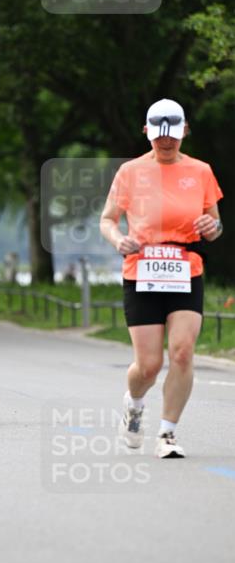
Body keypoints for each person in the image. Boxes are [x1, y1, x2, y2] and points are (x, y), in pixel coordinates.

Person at [100, 98, 224, 459]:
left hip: (186, 268)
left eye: (172, 137)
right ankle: (135, 403)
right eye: (158, 138)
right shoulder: (130, 172)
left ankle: (167, 433)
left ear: (184, 131)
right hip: (142, 270)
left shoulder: (201, 171)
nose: (166, 143)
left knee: (183, 352)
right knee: (149, 364)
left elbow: (214, 225)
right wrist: (117, 239)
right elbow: (107, 219)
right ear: (146, 133)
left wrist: (211, 226)